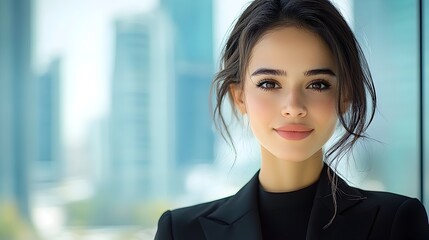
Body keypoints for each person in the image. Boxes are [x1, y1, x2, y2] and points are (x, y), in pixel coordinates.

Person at [155, 0, 429, 239]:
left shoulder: (395, 222)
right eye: (269, 84)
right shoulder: (180, 232)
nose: (293, 107)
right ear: (239, 97)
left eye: (318, 84)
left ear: (345, 96)